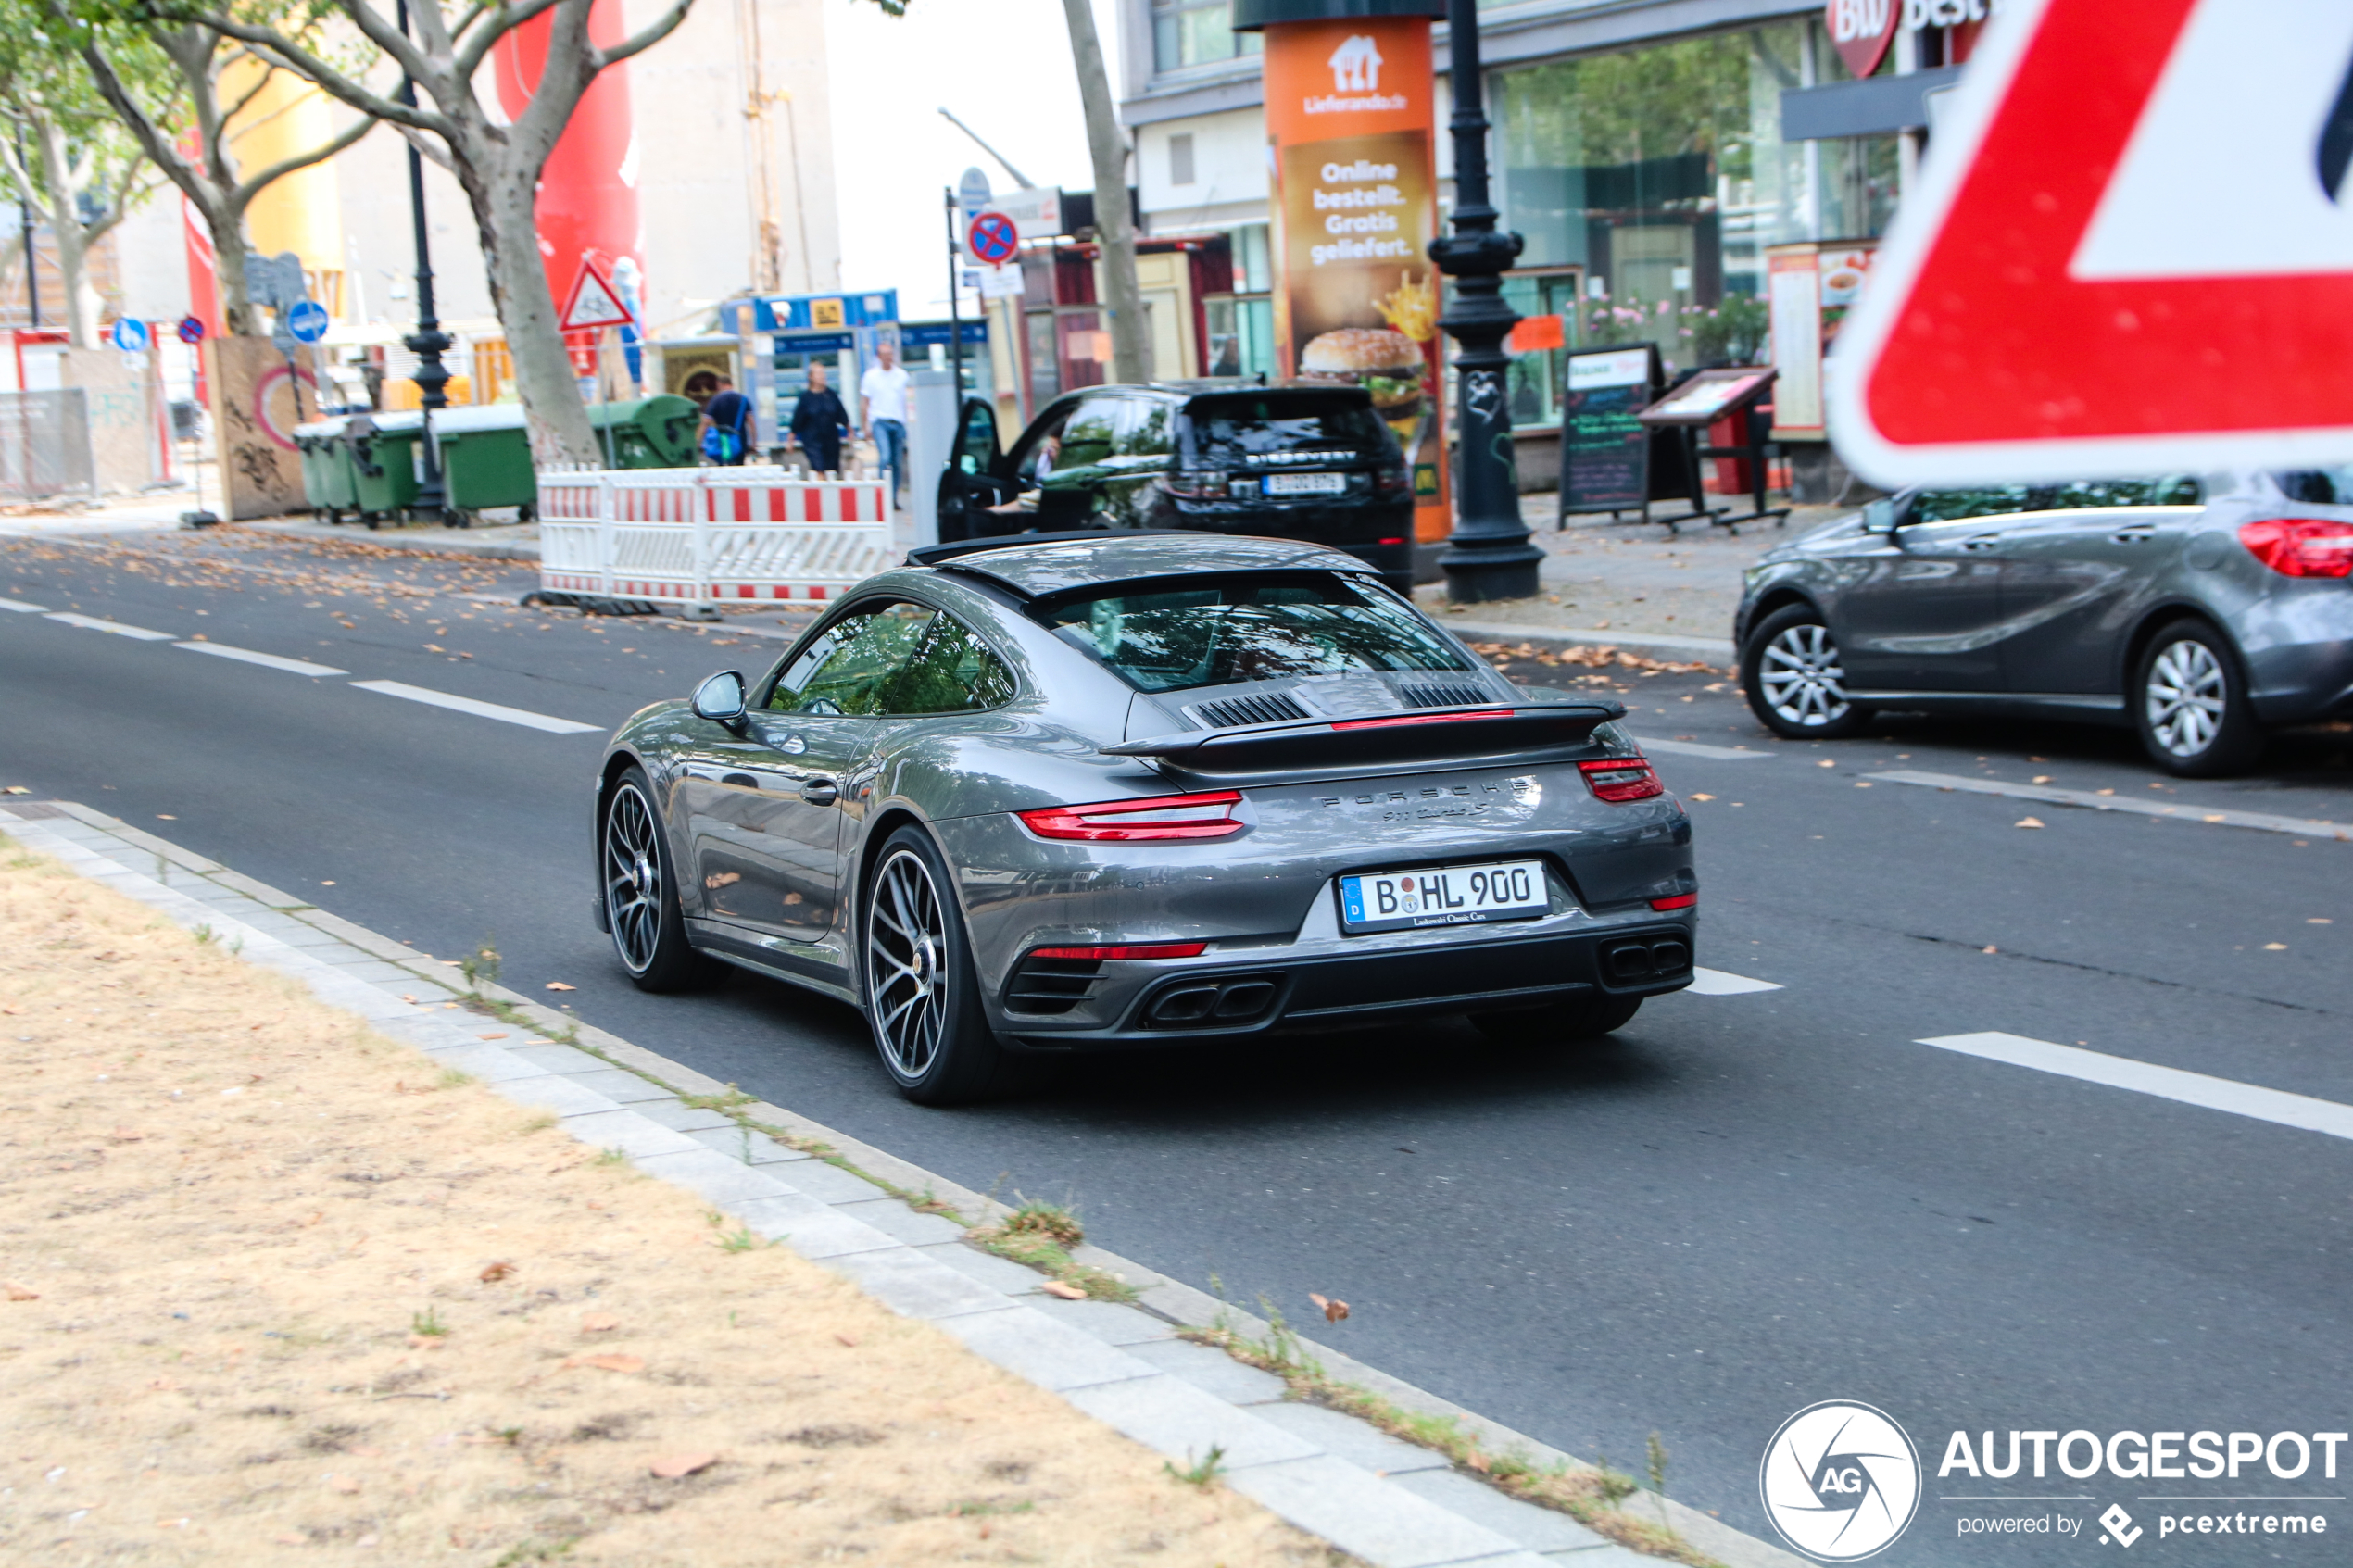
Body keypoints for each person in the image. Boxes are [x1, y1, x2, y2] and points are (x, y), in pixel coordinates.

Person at [860, 341, 911, 497]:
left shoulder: (902, 376)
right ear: (879, 357)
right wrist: (865, 426)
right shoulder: (871, 376)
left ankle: (893, 497)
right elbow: (865, 403)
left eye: (890, 354)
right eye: (885, 354)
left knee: (896, 462)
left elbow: (909, 401)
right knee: (885, 457)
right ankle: (882, 494)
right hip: (879, 421)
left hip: (898, 422)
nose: (888, 357)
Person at [787, 363, 849, 476]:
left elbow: (842, 414)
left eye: (823, 373)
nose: (822, 376)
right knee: (818, 468)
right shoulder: (805, 397)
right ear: (811, 377)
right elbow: (797, 420)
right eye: (819, 373)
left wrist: (849, 431)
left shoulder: (831, 394)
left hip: (831, 439)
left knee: (832, 471)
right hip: (812, 440)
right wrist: (790, 440)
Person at [698, 374, 752, 466]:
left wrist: (699, 441)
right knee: (739, 468)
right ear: (731, 384)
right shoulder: (743, 400)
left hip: (722, 442)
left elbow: (706, 422)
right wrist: (753, 443)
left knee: (722, 468)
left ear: (719, 384)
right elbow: (751, 422)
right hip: (740, 441)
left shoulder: (716, 400)